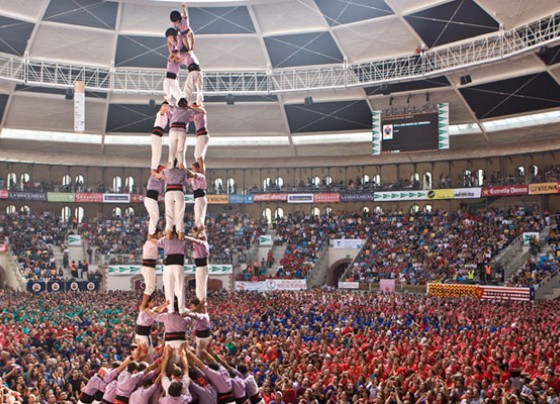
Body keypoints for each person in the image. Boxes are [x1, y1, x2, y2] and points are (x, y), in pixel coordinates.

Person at [157, 228, 204, 313]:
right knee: (179, 287)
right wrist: (189, 235)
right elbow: (195, 240)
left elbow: (156, 242)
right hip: (176, 265)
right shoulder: (183, 239)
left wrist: (163, 235)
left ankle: (171, 309)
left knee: (170, 288)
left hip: (170, 265)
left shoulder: (166, 239)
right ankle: (180, 309)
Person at [162, 163, 189, 239]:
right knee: (179, 214)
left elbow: (161, 176)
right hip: (179, 191)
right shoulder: (183, 171)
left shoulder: (166, 170)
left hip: (169, 191)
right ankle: (180, 231)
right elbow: (186, 183)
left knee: (169, 214)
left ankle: (168, 231)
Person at [140, 229, 162, 310]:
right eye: (160, 234)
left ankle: (144, 304)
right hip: (148, 267)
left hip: (149, 267)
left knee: (150, 287)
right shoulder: (152, 241)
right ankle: (143, 305)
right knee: (150, 287)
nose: (161, 236)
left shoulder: (151, 241)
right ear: (155, 235)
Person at [186, 162, 207, 234]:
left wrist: (185, 169)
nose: (192, 169)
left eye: (193, 168)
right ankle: (199, 231)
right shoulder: (193, 178)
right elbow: (188, 179)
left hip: (200, 196)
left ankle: (200, 231)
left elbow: (193, 175)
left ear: (197, 168)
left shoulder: (200, 175)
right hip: (197, 198)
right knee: (197, 217)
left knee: (199, 217)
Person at [151, 103, 171, 175]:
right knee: (156, 153)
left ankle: (154, 169)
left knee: (158, 153)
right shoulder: (160, 113)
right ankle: (154, 169)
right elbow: (163, 108)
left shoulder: (166, 115)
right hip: (156, 135)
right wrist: (167, 104)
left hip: (158, 135)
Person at [144, 169, 165, 237]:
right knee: (154, 217)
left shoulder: (159, 182)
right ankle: (151, 234)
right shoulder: (153, 177)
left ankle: (152, 233)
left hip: (153, 200)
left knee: (156, 217)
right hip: (150, 199)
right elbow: (157, 174)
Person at [192, 228, 209, 301]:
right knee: (199, 286)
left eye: (193, 232)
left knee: (201, 286)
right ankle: (201, 300)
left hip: (201, 266)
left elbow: (194, 239)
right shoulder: (200, 242)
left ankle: (201, 301)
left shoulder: (201, 242)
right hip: (200, 266)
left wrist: (198, 231)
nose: (192, 234)